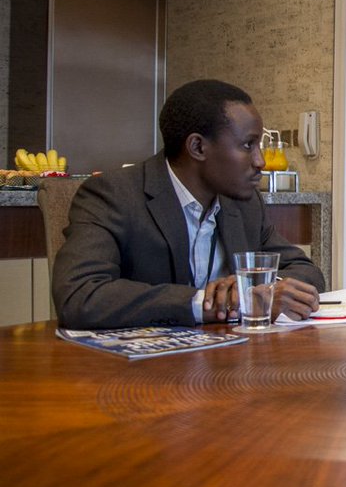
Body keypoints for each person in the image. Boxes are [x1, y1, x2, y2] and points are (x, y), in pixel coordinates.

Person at [53, 79, 325, 329]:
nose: (260, 161)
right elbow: (80, 295)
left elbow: (307, 272)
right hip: (135, 374)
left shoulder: (245, 204)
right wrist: (204, 303)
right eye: (247, 145)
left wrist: (261, 292)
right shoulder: (114, 195)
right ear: (197, 147)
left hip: (227, 365)